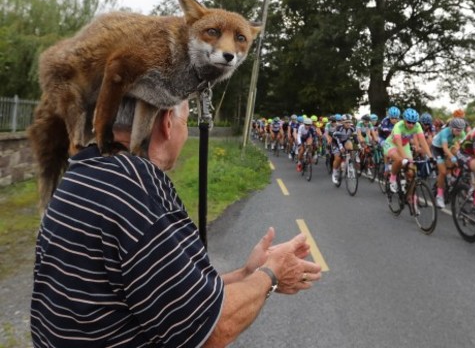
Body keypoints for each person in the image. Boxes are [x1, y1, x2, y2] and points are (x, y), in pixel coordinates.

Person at [31, 98, 321, 347]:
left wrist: (249, 272)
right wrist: (271, 275)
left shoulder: (84, 172)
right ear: (167, 122)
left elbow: (179, 297)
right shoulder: (137, 189)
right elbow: (209, 332)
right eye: (187, 120)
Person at [382, 108, 434, 194]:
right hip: (392, 144)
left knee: (411, 172)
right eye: (409, 122)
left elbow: (423, 142)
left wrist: (431, 156)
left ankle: (409, 195)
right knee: (399, 160)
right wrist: (405, 158)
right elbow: (398, 144)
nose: (411, 125)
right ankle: (393, 178)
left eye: (413, 122)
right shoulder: (398, 126)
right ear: (404, 120)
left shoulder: (417, 126)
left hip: (404, 145)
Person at [431, 117, 467, 208]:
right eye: (457, 130)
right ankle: (439, 196)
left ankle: (451, 175)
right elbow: (445, 148)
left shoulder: (462, 132)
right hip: (437, 148)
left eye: (460, 130)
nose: (459, 132)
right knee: (442, 172)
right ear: (451, 128)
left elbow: (464, 146)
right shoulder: (445, 132)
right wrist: (453, 158)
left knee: (458, 154)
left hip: (449, 146)